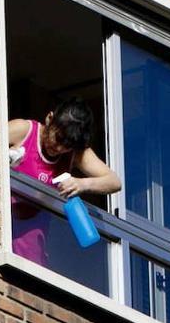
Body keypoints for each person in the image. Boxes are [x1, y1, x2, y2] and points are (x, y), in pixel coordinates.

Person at [8, 97, 120, 264]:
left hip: (31, 233)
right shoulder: (24, 131)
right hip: (3, 215)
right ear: (49, 119)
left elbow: (114, 181)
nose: (59, 148)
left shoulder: (73, 154)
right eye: (59, 138)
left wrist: (82, 184)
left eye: (67, 146)